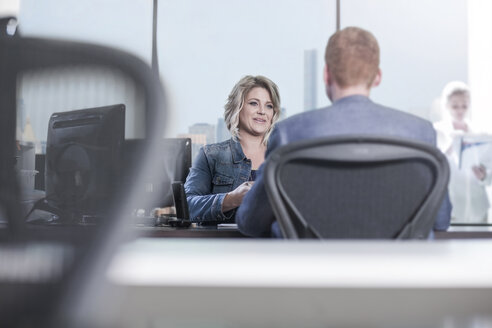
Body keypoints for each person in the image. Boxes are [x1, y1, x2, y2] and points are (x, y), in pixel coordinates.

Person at [236, 26, 451, 237]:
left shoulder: (288, 133)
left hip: (309, 269)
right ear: (377, 77)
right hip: (395, 270)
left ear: (326, 75)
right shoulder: (421, 133)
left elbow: (250, 222)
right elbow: (441, 220)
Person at [184, 75, 281, 223]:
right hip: (226, 245)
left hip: (275, 245)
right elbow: (187, 206)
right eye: (254, 103)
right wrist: (231, 199)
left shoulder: (283, 158)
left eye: (269, 106)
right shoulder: (211, 155)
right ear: (237, 107)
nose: (262, 111)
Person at [433, 81, 491, 223]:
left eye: (464, 106)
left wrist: (484, 175)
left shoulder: (479, 134)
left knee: (480, 245)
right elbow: (433, 164)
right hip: (451, 206)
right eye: (455, 106)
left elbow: (489, 173)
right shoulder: (438, 131)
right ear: (446, 105)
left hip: (478, 207)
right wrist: (450, 148)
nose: (460, 111)